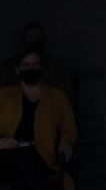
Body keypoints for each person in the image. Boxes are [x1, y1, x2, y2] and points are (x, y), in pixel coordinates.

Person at [0, 47, 78, 190]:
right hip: (8, 156)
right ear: (17, 69)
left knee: (29, 168)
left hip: (42, 158)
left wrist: (66, 143)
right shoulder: (4, 95)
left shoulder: (57, 96)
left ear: (41, 67)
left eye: (35, 64)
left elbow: (69, 128)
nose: (31, 68)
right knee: (23, 161)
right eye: (26, 65)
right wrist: (2, 141)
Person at [0, 23, 74, 102]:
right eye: (31, 38)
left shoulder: (58, 67)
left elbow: (66, 98)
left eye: (38, 38)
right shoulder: (7, 67)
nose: (34, 41)